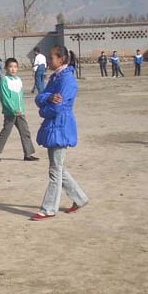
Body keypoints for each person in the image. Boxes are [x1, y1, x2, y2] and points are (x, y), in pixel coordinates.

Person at [31, 45, 88, 220]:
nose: (49, 61)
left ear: (61, 59)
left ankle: (48, 208)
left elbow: (58, 107)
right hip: (53, 126)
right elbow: (40, 97)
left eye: (52, 57)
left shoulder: (67, 80)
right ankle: (80, 198)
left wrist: (43, 109)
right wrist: (48, 98)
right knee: (58, 168)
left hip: (61, 127)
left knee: (55, 170)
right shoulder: (55, 78)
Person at [0, 57, 38, 162]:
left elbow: (20, 96)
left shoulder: (18, 80)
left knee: (25, 131)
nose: (13, 69)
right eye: (10, 67)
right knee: (6, 132)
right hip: (11, 112)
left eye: (15, 67)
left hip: (20, 112)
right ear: (6, 68)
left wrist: (21, 109)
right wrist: (13, 109)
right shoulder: (4, 80)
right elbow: (5, 97)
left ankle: (28, 153)